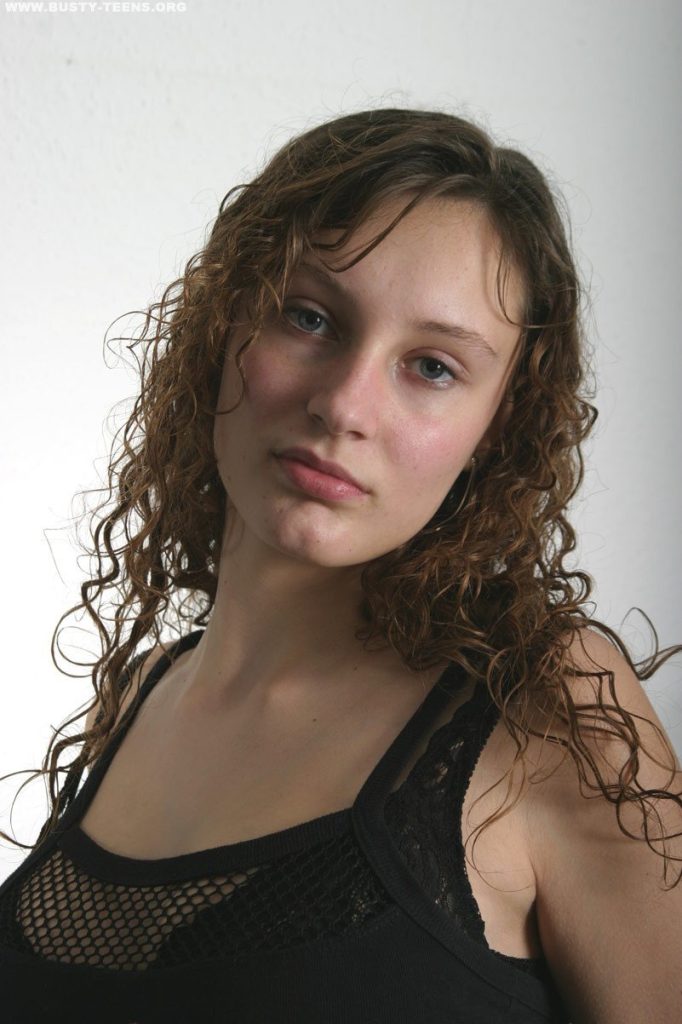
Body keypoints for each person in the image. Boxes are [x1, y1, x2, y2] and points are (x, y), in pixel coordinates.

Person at [0, 107, 679, 1024]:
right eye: (310, 317)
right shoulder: (137, 699)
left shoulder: (544, 709)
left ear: (498, 427)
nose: (344, 405)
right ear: (223, 326)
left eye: (432, 367)